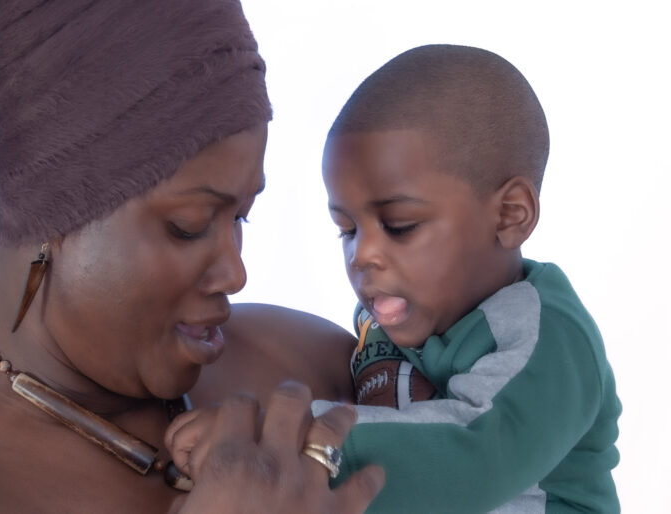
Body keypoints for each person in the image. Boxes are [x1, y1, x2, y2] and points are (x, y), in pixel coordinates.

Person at [0, 0, 383, 512]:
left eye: (241, 217)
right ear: (46, 214)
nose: (236, 274)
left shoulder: (317, 363)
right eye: (188, 226)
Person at [169, 44, 622, 513]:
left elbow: (470, 456)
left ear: (510, 215)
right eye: (347, 230)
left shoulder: (549, 337)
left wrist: (281, 445)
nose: (362, 255)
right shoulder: (381, 319)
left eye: (400, 226)